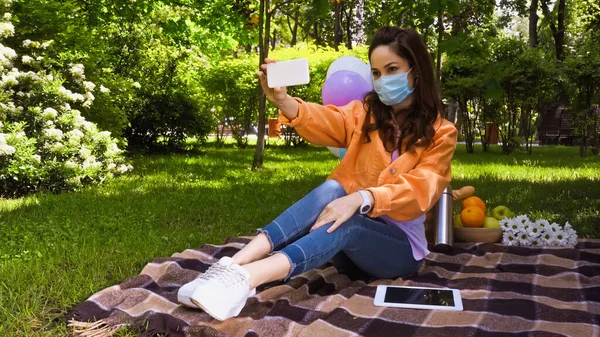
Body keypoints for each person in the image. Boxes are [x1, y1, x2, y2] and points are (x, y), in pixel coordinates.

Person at [177, 26, 458, 321]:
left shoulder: (442, 134)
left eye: (392, 70)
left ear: (417, 70)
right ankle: (231, 266)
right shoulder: (366, 113)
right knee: (332, 189)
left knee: (348, 221)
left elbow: (420, 190)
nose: (383, 80)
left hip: (397, 253)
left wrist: (362, 198)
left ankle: (246, 278)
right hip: (346, 254)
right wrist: (284, 102)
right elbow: (328, 120)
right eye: (376, 73)